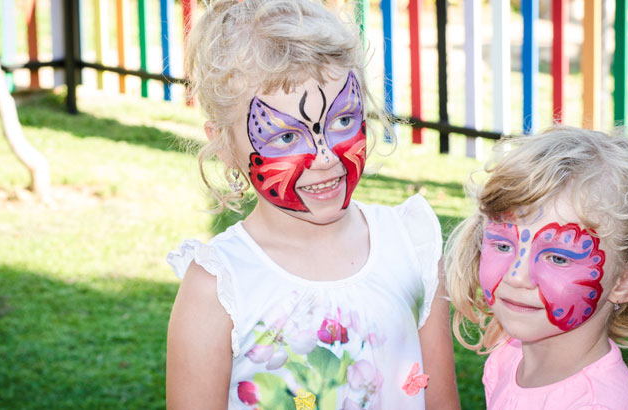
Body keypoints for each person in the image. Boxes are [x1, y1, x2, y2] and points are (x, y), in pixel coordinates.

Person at [165, 0, 460, 408]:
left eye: (343, 120)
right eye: (285, 136)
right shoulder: (218, 285)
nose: (325, 157)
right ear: (227, 146)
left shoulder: (411, 246)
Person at [444, 126, 628, 409]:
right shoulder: (508, 356)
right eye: (504, 245)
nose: (516, 277)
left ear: (626, 280)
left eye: (558, 257)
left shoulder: (598, 405)